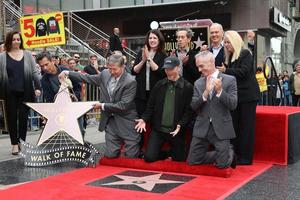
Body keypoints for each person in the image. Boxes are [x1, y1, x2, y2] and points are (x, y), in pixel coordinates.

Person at [59, 54, 141, 158]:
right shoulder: (105, 74)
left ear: (123, 67)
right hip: (110, 121)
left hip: (126, 120)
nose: (111, 72)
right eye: (109, 68)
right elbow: (87, 78)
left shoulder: (130, 81)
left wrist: (102, 106)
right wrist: (68, 73)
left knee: (131, 156)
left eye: (114, 69)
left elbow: (123, 105)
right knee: (110, 156)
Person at [135, 56, 193, 162]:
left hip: (176, 131)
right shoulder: (159, 85)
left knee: (179, 160)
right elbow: (150, 106)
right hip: (158, 130)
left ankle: (173, 152)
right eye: (166, 69)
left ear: (178, 68)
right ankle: (166, 153)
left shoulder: (187, 87)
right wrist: (144, 119)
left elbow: (189, 111)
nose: (168, 71)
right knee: (148, 158)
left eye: (171, 69)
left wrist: (181, 124)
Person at [187, 51, 237, 169]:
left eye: (201, 66)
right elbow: (193, 106)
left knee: (222, 165)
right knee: (192, 161)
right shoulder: (198, 83)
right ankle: (222, 153)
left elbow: (233, 105)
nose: (199, 70)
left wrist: (220, 91)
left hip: (221, 127)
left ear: (211, 62)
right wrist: (205, 93)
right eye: (197, 66)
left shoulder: (229, 80)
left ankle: (228, 153)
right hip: (202, 127)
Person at [218, 30, 260, 165]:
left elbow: (244, 72)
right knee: (234, 125)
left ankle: (246, 158)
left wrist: (226, 71)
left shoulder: (245, 53)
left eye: (228, 42)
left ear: (235, 41)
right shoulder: (230, 57)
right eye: (225, 42)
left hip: (248, 96)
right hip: (236, 96)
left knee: (247, 127)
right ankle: (234, 154)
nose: (226, 45)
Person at [0, 31, 41, 155]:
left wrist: (38, 87)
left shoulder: (28, 54)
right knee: (11, 119)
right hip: (8, 92)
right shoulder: (2, 56)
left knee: (23, 119)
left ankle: (22, 142)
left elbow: (34, 72)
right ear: (9, 41)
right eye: (14, 40)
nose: (16, 42)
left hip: (26, 91)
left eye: (18, 39)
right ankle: (14, 145)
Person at [132, 29, 167, 117]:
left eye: (155, 38)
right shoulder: (141, 52)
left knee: (154, 118)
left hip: (156, 92)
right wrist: (143, 60)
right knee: (141, 118)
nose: (152, 40)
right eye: (150, 38)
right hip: (141, 93)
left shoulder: (163, 55)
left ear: (159, 40)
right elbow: (134, 71)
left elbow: (161, 73)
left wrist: (149, 58)